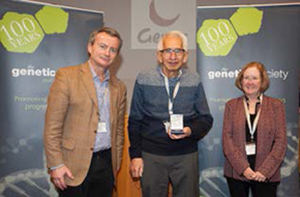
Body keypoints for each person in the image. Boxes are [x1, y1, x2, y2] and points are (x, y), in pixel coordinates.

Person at [128, 30, 213, 197]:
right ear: (160, 55)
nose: (173, 56)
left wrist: (189, 130)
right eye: (168, 51)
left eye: (178, 51)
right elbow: (135, 120)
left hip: (186, 155)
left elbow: (205, 119)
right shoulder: (144, 79)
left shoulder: (194, 80)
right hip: (152, 155)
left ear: (185, 56)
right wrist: (135, 156)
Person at [44, 27, 127, 197]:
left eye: (113, 50)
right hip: (72, 165)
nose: (107, 53)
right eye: (103, 46)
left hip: (105, 165)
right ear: (90, 47)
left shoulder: (119, 87)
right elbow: (53, 126)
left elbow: (118, 129)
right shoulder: (67, 76)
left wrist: (116, 161)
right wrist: (56, 165)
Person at [222, 62, 287, 197]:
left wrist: (265, 171)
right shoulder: (231, 105)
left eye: (254, 78)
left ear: (262, 81)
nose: (250, 82)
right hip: (236, 172)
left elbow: (281, 141)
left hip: (266, 174)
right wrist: (243, 168)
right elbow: (227, 140)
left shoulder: (276, 105)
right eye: (246, 78)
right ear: (241, 80)